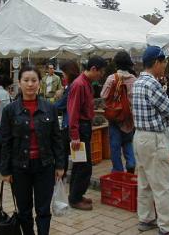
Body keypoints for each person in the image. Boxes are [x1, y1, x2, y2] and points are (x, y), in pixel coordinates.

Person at [0, 65, 64, 235]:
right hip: (20, 167)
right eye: (26, 80)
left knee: (43, 210)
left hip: (45, 165)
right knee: (24, 210)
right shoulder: (10, 110)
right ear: (19, 83)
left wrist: (60, 165)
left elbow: (56, 138)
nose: (30, 84)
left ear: (39, 83)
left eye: (34, 80)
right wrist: (5, 170)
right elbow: (5, 142)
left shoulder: (49, 108)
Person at [132, 46, 169, 235]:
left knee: (145, 181)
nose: (164, 66)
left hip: (139, 136)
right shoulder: (152, 84)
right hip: (153, 139)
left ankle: (146, 219)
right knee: (164, 185)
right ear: (156, 62)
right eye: (163, 63)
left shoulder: (139, 81)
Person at [68, 56, 107, 210]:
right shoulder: (79, 84)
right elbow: (73, 112)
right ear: (93, 69)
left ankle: (75, 195)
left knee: (80, 164)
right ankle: (75, 198)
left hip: (85, 127)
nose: (101, 75)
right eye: (101, 72)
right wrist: (75, 136)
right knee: (84, 166)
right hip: (80, 128)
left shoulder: (87, 83)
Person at [101, 51, 136, 173]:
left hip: (115, 117)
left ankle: (118, 170)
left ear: (116, 63)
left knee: (115, 146)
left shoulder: (112, 78)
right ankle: (131, 162)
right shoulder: (134, 80)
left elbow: (103, 95)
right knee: (127, 142)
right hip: (129, 118)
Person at [54, 60, 80, 177]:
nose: (63, 78)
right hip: (72, 125)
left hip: (69, 125)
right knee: (76, 157)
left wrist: (48, 106)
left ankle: (62, 177)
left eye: (64, 75)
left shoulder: (73, 87)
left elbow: (61, 104)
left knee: (65, 154)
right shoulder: (73, 85)